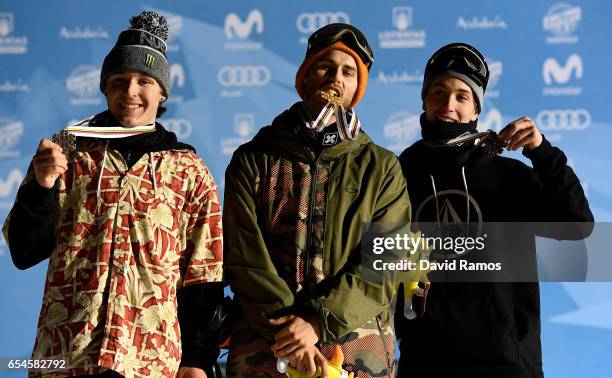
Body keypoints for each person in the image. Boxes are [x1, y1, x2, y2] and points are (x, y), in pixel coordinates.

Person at [3, 11, 223, 378]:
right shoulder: (66, 149)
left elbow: (204, 276)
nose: (131, 91)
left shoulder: (188, 170)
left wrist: (198, 360)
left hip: (149, 360)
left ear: (162, 91)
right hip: (65, 354)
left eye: (144, 81)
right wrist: (41, 187)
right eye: (120, 80)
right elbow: (24, 251)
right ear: (106, 88)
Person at [222, 23, 411, 377]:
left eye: (349, 71)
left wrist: (315, 321)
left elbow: (384, 262)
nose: (336, 78)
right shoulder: (254, 158)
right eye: (325, 66)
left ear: (357, 89)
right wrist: (292, 333)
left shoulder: (383, 168)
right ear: (305, 77)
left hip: (358, 352)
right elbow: (243, 257)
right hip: (266, 348)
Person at [394, 42, 593, 377]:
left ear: (475, 111)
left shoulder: (507, 176)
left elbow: (577, 225)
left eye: (461, 96)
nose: (448, 105)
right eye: (439, 93)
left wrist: (542, 152)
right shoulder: (397, 176)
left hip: (505, 363)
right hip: (424, 362)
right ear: (425, 100)